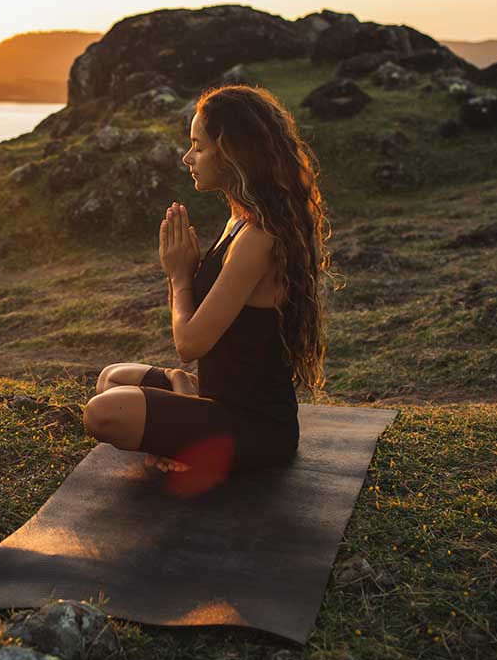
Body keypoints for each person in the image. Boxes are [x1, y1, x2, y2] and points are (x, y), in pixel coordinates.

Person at [81, 84, 337, 493]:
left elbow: (190, 344)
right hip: (216, 397)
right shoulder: (239, 218)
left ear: (231, 152)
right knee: (111, 377)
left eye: (197, 147)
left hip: (254, 426)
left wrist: (179, 276)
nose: (188, 158)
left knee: (104, 412)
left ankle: (196, 438)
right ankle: (189, 405)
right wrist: (181, 274)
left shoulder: (259, 237)